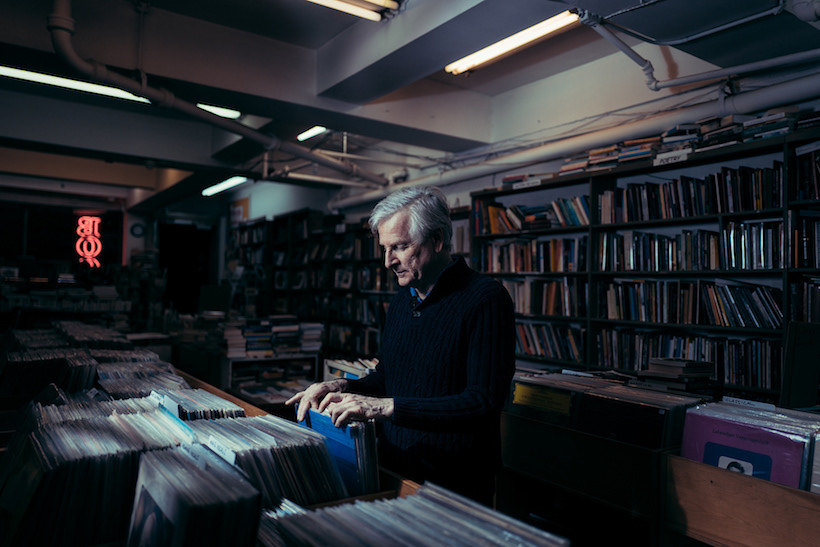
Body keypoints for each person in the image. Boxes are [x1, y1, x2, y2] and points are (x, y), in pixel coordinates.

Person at [286, 185, 515, 505]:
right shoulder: (400, 302)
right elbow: (388, 379)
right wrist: (337, 386)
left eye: (400, 247)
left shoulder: (486, 299)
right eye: (384, 248)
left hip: (454, 483)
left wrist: (386, 407)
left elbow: (482, 403)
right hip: (396, 470)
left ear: (436, 240)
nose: (387, 262)